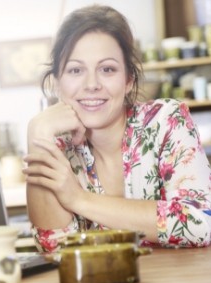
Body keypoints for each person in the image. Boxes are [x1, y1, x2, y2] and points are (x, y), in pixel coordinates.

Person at [22, 4, 211, 252]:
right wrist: (36, 131)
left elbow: (199, 222)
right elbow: (54, 248)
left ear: (129, 80)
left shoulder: (166, 120)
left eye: (107, 69)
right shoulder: (57, 147)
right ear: (57, 83)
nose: (91, 84)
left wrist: (79, 199)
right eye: (76, 70)